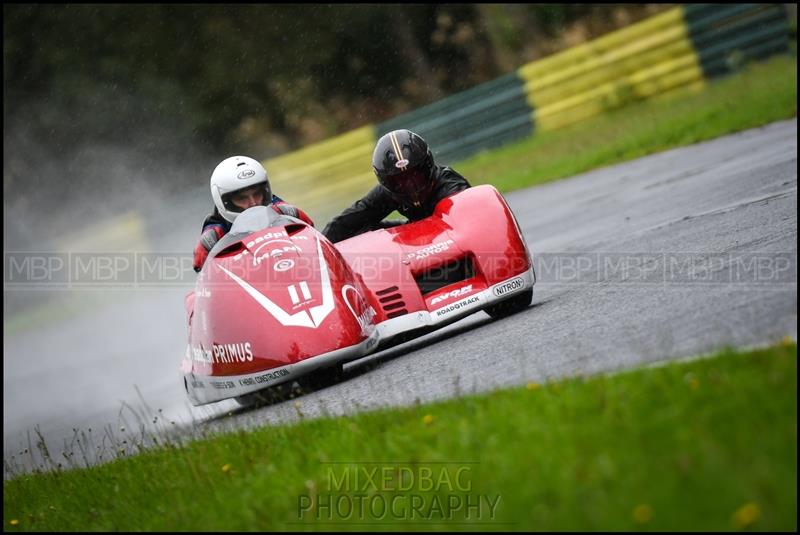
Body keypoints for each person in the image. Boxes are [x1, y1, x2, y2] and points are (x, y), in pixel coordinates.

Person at [322, 129, 470, 243]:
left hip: (451, 237)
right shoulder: (386, 193)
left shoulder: (452, 187)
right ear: (386, 182)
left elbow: (472, 228)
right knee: (363, 230)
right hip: (414, 242)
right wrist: (317, 251)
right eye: (400, 181)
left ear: (428, 166)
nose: (411, 186)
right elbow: (345, 223)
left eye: (416, 176)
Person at [192, 155, 314, 272]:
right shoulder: (212, 237)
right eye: (242, 198)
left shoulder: (286, 212)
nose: (253, 203)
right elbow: (200, 270)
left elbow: (313, 235)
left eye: (257, 194)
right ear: (225, 202)